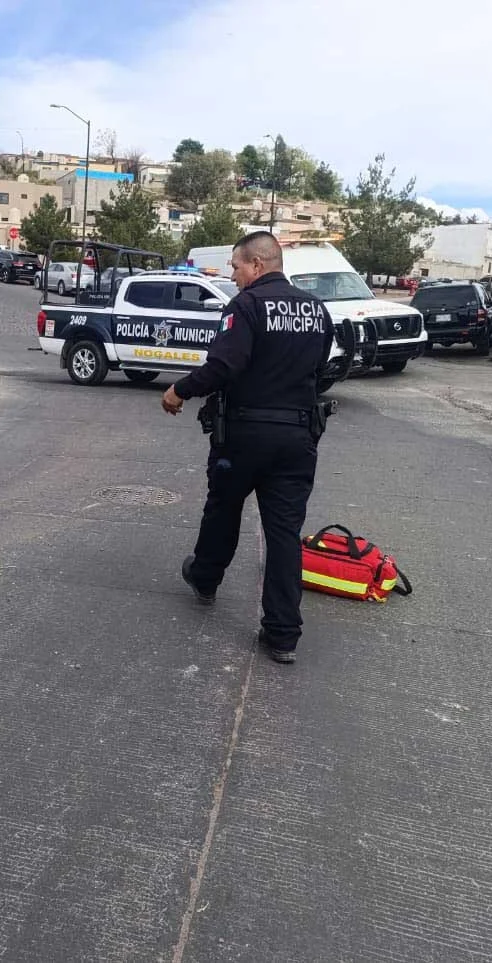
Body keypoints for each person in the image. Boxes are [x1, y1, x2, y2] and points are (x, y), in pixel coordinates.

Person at [161, 231, 334, 665]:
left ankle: (204, 579)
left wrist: (179, 390)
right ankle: (282, 635)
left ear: (257, 265)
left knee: (223, 509)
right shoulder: (316, 309)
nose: (233, 276)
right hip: (297, 438)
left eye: (236, 267)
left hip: (244, 434)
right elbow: (320, 367)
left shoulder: (248, 305)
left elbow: (224, 364)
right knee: (283, 534)